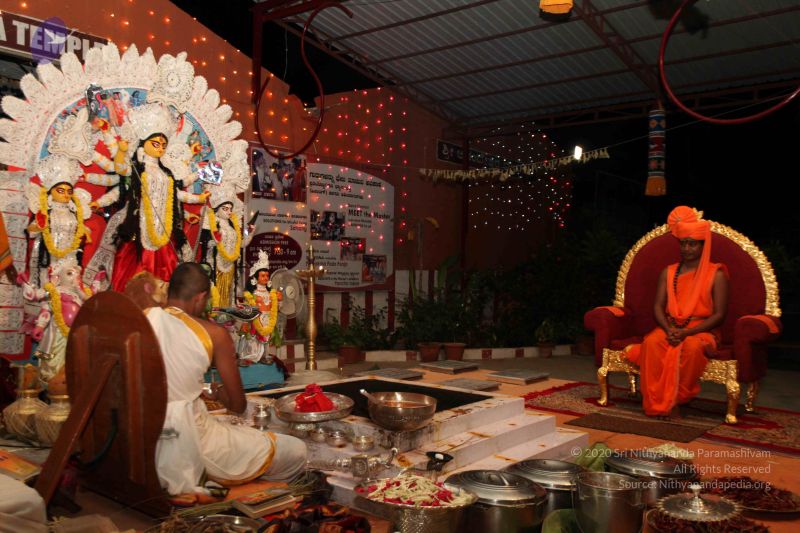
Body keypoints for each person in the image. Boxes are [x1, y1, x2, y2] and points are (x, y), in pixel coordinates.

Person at [147, 263, 306, 495]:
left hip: (150, 432)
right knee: (295, 450)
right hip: (193, 440)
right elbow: (238, 405)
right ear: (200, 297)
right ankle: (242, 494)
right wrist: (217, 391)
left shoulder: (145, 320)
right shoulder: (214, 334)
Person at [625, 206, 729, 419]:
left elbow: (719, 315)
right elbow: (657, 306)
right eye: (683, 243)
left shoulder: (716, 274)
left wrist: (687, 333)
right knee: (652, 343)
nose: (687, 248)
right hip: (670, 326)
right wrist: (669, 329)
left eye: (692, 244)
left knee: (691, 348)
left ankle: (675, 401)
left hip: (700, 330)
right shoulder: (668, 272)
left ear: (703, 246)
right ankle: (656, 401)